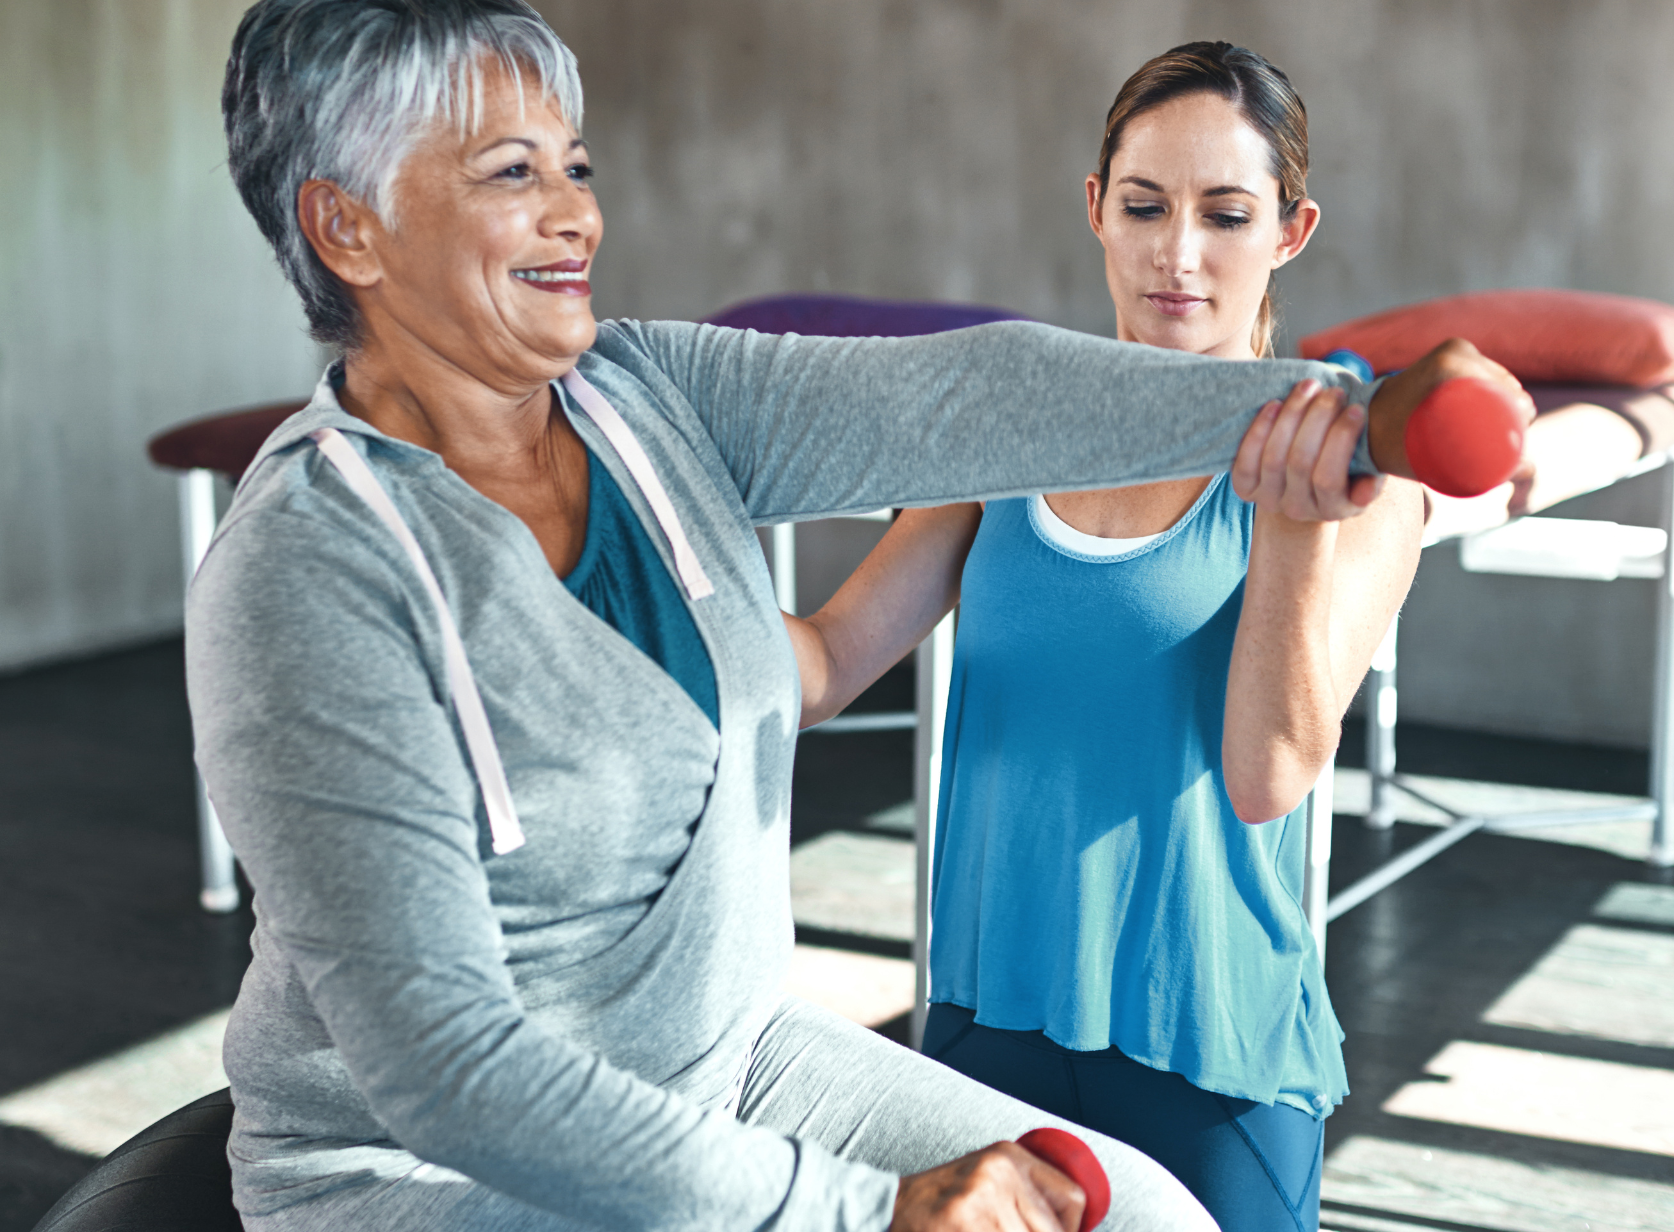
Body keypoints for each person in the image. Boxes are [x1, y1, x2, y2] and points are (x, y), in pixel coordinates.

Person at [191, 4, 1522, 1231]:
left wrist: (1344, 413)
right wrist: (862, 1213)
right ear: (347, 228)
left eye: (576, 169)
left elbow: (967, 401)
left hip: (730, 1055)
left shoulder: (650, 392)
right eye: (509, 174)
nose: (575, 219)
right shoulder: (304, 573)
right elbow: (448, 1069)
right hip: (437, 1169)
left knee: (1144, 1218)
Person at [788, 43, 1429, 1232]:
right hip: (984, 1030)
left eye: (1225, 215)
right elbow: (823, 661)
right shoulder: (1009, 429)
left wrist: (1290, 531)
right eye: (1144, 206)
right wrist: (612, 608)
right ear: (1095, 209)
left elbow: (1266, 774)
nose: (1176, 254)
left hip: (1212, 1051)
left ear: (1290, 231)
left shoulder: (1369, 487)